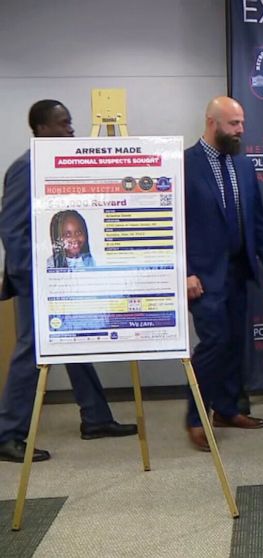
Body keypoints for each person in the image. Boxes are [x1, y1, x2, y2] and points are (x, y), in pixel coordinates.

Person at [0, 100, 137, 463]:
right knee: (31, 353)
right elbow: (11, 229)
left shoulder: (54, 165)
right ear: (41, 128)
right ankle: (7, 434)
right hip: (36, 282)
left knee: (74, 344)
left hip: (62, 279)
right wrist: (35, 279)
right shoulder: (27, 167)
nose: (71, 130)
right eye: (63, 123)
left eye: (70, 123)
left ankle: (96, 419)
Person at [184, 96, 263, 452]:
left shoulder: (244, 165)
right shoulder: (183, 165)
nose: (241, 130)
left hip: (240, 270)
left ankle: (226, 409)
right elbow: (171, 226)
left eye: (242, 123)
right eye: (234, 124)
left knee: (235, 343)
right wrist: (186, 272)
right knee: (214, 342)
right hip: (203, 276)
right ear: (212, 123)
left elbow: (258, 217)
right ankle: (197, 417)